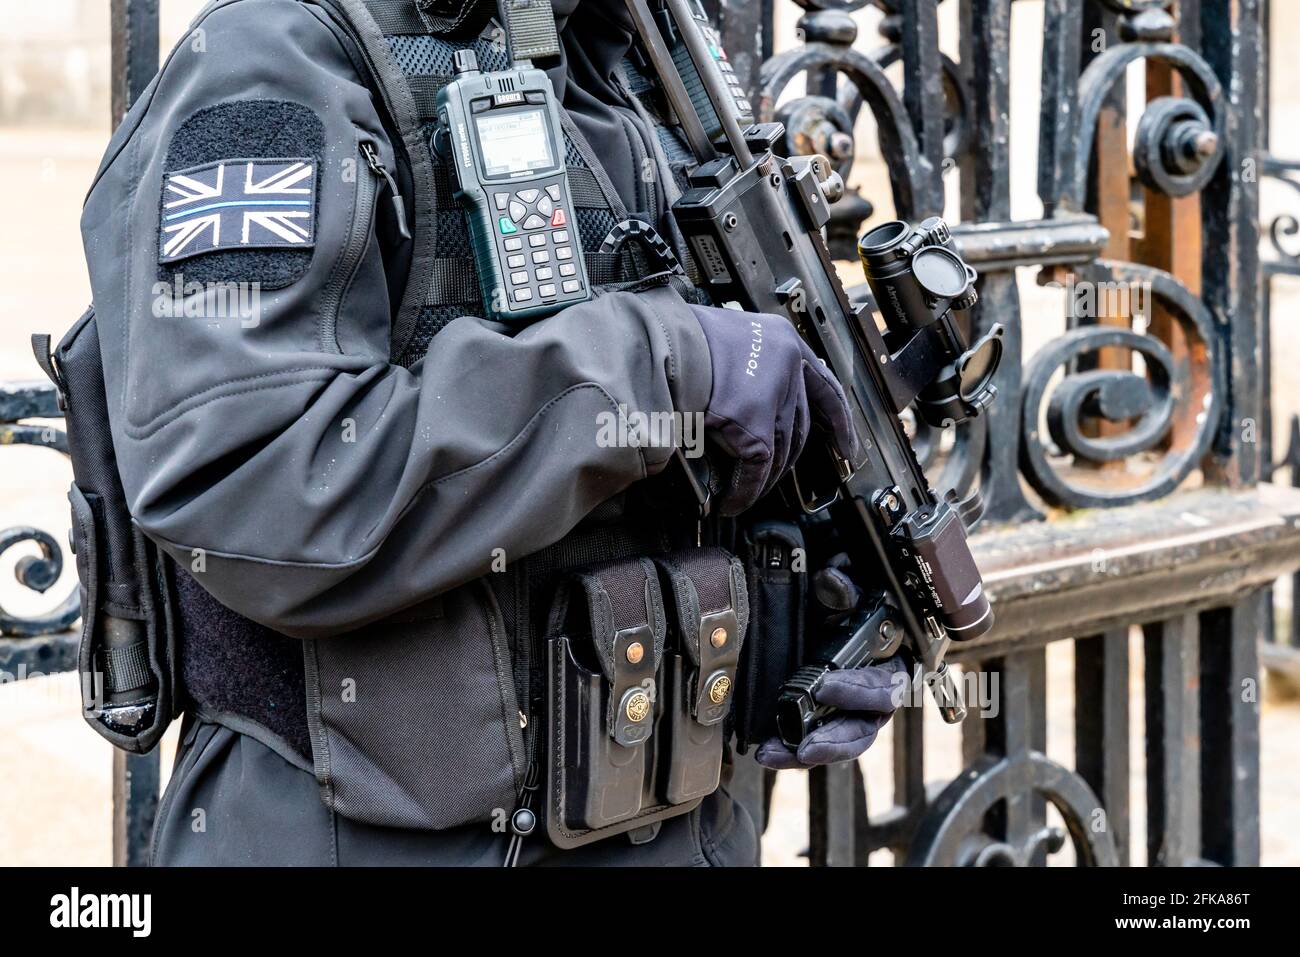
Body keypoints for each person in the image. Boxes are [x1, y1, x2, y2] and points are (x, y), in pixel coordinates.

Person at [77, 0, 904, 866]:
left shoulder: (644, 56)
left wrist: (808, 597)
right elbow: (254, 477)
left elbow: (696, 452)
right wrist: (658, 365)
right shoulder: (276, 59)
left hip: (676, 814)